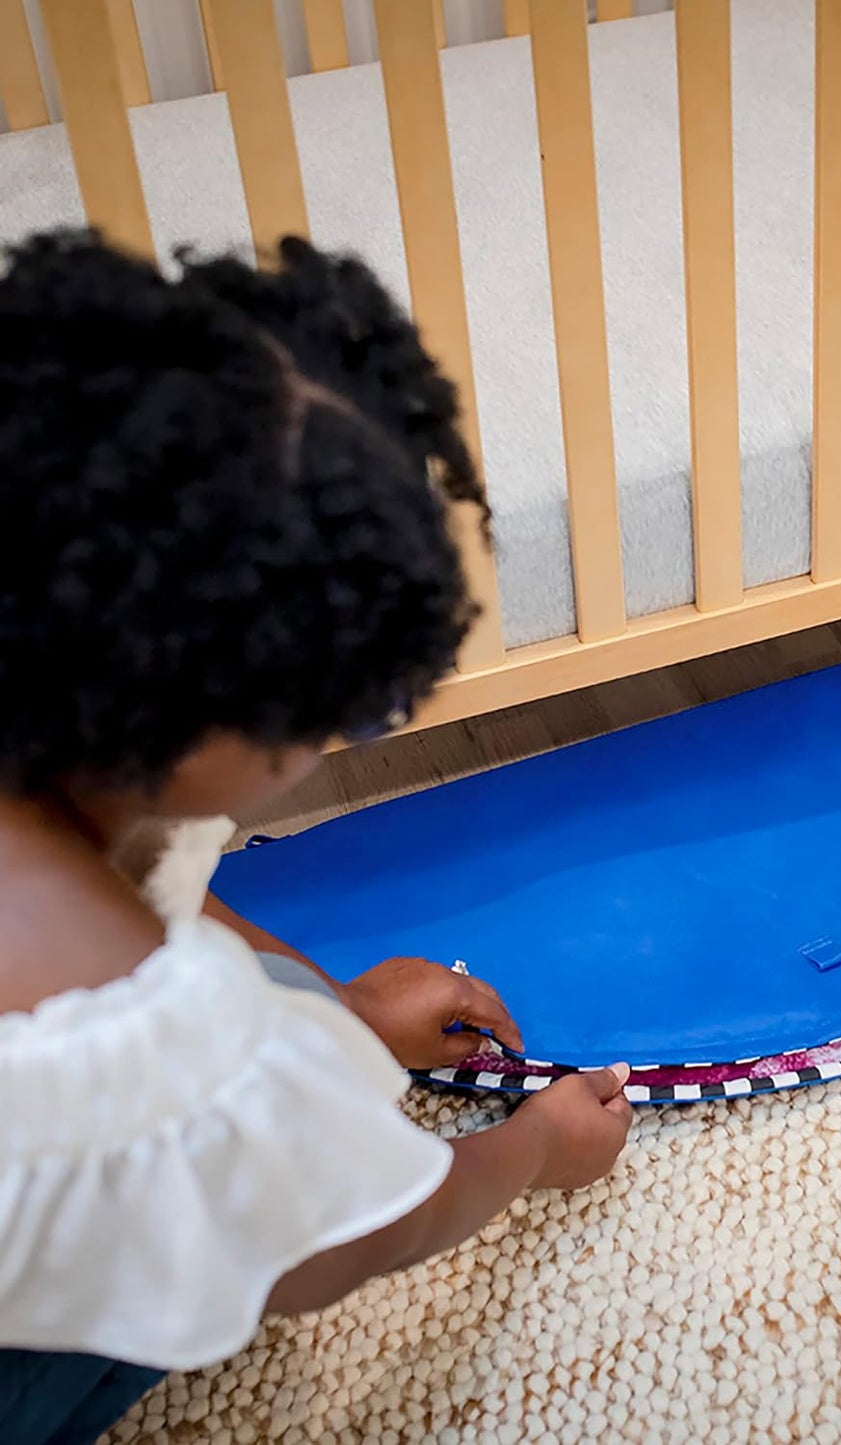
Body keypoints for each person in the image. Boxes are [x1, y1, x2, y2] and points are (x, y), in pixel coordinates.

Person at [0, 230, 633, 1444]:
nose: (331, 745)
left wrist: (334, 1014)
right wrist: (531, 1147)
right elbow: (326, 1239)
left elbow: (154, 876)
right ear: (207, 720)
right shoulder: (146, 1038)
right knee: (193, 1263)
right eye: (333, 712)